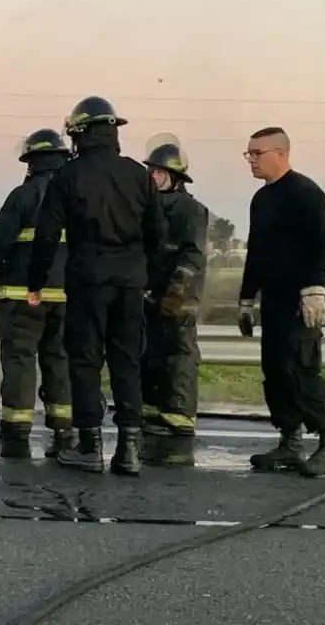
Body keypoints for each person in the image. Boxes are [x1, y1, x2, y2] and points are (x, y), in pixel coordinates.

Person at [26, 96, 167, 476]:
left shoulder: (67, 176)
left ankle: (90, 447)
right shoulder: (139, 175)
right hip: (130, 285)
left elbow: (47, 235)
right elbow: (159, 234)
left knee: (86, 361)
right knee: (127, 362)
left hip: (88, 281)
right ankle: (129, 450)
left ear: (80, 133)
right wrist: (146, 278)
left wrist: (36, 282)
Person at [237, 126, 325, 477]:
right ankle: (290, 441)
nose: (250, 160)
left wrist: (316, 288)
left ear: (280, 153)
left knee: (301, 370)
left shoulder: (305, 193)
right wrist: (246, 299)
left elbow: (324, 245)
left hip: (301, 302)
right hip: (274, 302)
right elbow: (256, 253)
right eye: (248, 154)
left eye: (256, 153)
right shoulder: (261, 200)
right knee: (276, 371)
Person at [0, 128, 73, 459]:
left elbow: (0, 241)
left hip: (22, 298)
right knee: (58, 359)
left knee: (20, 360)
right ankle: (64, 428)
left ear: (32, 162)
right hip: (64, 298)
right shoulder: (76, 199)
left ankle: (17, 429)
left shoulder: (23, 195)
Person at [139, 134, 209, 467]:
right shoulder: (145, 207)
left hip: (179, 299)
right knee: (150, 354)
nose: (151, 177)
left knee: (179, 357)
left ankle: (179, 418)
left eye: (157, 172)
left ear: (174, 177)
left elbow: (192, 254)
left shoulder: (190, 210)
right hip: (150, 294)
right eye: (150, 172)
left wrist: (177, 290)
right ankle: (153, 413)